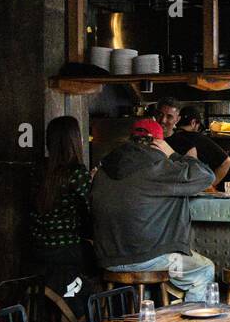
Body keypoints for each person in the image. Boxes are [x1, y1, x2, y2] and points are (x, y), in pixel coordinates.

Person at [91, 118, 216, 302]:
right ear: (158, 143)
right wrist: (173, 154)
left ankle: (151, 311)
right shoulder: (158, 167)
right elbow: (206, 176)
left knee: (161, 276)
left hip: (108, 260)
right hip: (152, 261)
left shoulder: (103, 169)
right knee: (203, 270)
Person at [29, 115, 95, 314]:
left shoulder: (37, 170)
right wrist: (93, 184)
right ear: (75, 140)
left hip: (37, 249)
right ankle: (84, 316)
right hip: (67, 251)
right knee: (102, 262)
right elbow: (90, 211)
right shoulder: (77, 173)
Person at [169, 105, 230, 189]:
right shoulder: (199, 139)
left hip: (172, 190)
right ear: (193, 123)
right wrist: (210, 185)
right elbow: (227, 162)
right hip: (196, 191)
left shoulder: (169, 138)